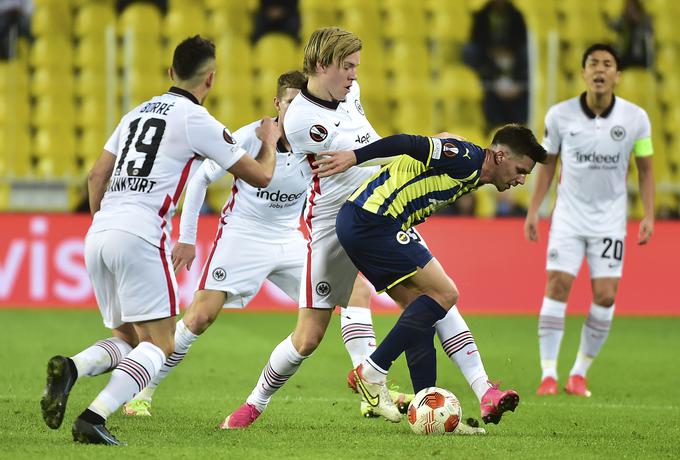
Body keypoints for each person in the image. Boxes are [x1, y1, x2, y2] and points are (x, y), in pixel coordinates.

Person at [39, 35, 280, 445]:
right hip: (140, 232)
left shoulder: (134, 114)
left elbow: (96, 176)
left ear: (171, 72)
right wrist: (270, 142)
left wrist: (105, 221)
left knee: (129, 338)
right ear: (211, 80)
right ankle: (93, 416)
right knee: (161, 344)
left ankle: (73, 368)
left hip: (99, 230)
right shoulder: (196, 119)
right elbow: (260, 176)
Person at [121, 70, 385, 418]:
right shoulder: (249, 136)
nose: (296, 111)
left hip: (289, 237)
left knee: (357, 293)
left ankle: (371, 390)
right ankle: (143, 390)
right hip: (242, 235)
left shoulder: (319, 138)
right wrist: (186, 237)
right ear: (277, 104)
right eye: (290, 102)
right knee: (200, 317)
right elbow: (201, 178)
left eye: (303, 103)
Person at [314, 124, 546, 425]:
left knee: (420, 311)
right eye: (520, 169)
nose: (521, 180)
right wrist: (355, 157)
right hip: (373, 220)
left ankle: (428, 407)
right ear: (500, 156)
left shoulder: (474, 171)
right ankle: (371, 372)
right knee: (446, 293)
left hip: (369, 223)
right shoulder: (465, 157)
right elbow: (407, 142)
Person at [524, 44, 655, 397]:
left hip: (611, 221)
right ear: (583, 73)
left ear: (617, 75)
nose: (600, 69)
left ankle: (578, 372)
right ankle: (548, 374)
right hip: (568, 217)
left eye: (607, 64)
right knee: (558, 286)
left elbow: (645, 170)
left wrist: (649, 213)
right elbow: (548, 165)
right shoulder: (560, 115)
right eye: (593, 63)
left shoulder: (636, 119)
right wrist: (535, 209)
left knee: (606, 296)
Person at [462, 0, 528, 128]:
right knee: (470, 50)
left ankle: (519, 82)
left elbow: (521, 39)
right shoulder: (481, 15)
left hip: (512, 56)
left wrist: (509, 52)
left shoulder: (517, 15)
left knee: (527, 52)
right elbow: (477, 39)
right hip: (487, 59)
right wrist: (492, 53)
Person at [604, 0, 654, 69]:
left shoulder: (645, 21)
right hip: (625, 56)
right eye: (629, 7)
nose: (631, 10)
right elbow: (613, 26)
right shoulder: (624, 20)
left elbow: (650, 45)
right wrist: (605, 18)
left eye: (633, 8)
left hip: (640, 57)